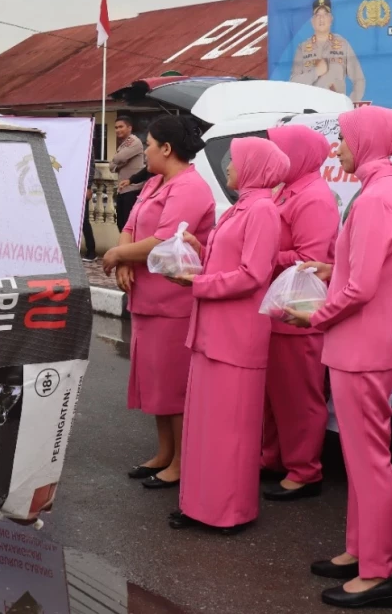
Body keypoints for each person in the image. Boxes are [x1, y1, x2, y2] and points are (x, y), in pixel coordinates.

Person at [284, 105, 392, 609]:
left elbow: (360, 287)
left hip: (363, 346)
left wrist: (312, 317)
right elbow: (355, 268)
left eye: (343, 139)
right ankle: (361, 551)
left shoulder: (379, 196)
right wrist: (327, 266)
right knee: (362, 462)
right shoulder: (375, 190)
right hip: (358, 344)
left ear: (369, 142)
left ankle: (379, 571)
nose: (337, 148)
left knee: (370, 462)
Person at [167, 137, 288, 534]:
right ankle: (199, 504)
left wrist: (199, 283)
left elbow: (254, 274)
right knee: (204, 425)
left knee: (230, 429)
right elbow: (228, 261)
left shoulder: (264, 211)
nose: (228, 167)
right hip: (213, 331)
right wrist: (199, 251)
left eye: (234, 161)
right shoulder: (242, 206)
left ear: (254, 166)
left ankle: (227, 511)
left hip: (236, 335)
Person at [103, 116, 215, 488]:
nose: (145, 150)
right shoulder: (154, 182)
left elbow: (164, 241)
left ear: (166, 149)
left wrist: (119, 257)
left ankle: (181, 462)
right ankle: (164, 453)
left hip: (173, 301)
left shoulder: (190, 187)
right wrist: (123, 257)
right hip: (147, 298)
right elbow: (131, 226)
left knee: (174, 386)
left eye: (149, 144)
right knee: (155, 383)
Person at [260, 125, 338, 502]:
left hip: (301, 311)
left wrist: (263, 256)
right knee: (276, 395)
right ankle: (275, 458)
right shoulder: (287, 190)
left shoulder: (314, 197)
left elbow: (314, 259)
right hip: (280, 308)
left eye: (279, 151)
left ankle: (305, 470)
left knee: (299, 396)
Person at [290, 0, 365, 102]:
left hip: (335, 111)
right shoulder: (302, 48)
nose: (321, 19)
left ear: (331, 19)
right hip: (310, 110)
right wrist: (315, 72)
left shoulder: (343, 45)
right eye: (318, 15)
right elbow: (293, 83)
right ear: (312, 21)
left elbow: (359, 80)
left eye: (325, 15)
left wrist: (349, 104)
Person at [109, 115, 146, 232]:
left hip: (133, 189)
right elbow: (111, 166)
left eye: (121, 126)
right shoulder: (124, 144)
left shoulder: (134, 141)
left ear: (129, 128)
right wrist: (119, 162)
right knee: (121, 224)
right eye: (116, 127)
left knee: (129, 226)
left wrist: (118, 162)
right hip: (123, 190)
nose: (118, 130)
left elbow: (119, 157)